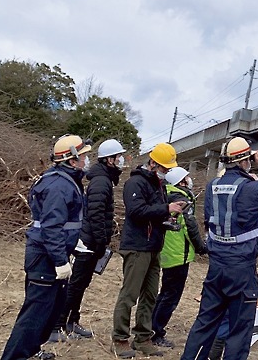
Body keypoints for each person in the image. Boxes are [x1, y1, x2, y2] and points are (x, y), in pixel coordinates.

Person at [180, 137, 258, 360]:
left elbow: (209, 218)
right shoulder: (250, 188)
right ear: (244, 161)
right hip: (241, 269)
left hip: (217, 266)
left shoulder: (213, 187)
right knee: (239, 330)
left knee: (205, 323)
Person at [0, 134, 92, 360]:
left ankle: (31, 350)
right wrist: (61, 261)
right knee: (35, 313)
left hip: (51, 253)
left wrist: (74, 241)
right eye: (83, 156)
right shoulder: (59, 185)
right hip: (45, 258)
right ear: (72, 160)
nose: (87, 160)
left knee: (50, 311)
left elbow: (64, 222)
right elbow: (51, 227)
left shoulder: (64, 181)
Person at [111, 143, 187, 359]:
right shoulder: (135, 182)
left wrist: (169, 216)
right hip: (136, 247)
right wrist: (166, 208)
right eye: (164, 167)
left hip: (153, 246)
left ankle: (143, 338)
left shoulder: (158, 185)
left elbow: (153, 213)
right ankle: (119, 339)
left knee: (150, 295)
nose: (166, 171)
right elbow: (136, 212)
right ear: (152, 163)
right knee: (129, 294)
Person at [48, 139, 127, 342]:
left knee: (81, 284)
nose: (121, 160)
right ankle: (58, 326)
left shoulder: (103, 179)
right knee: (76, 284)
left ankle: (71, 322)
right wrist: (101, 242)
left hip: (92, 241)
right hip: (88, 243)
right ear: (109, 159)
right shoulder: (101, 181)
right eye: (118, 157)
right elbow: (96, 214)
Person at [150, 167, 207, 348]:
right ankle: (156, 332)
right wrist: (201, 248)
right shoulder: (182, 199)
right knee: (171, 296)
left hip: (167, 251)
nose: (190, 180)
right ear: (181, 182)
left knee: (165, 293)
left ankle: (152, 327)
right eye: (187, 177)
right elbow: (190, 227)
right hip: (178, 254)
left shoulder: (165, 194)